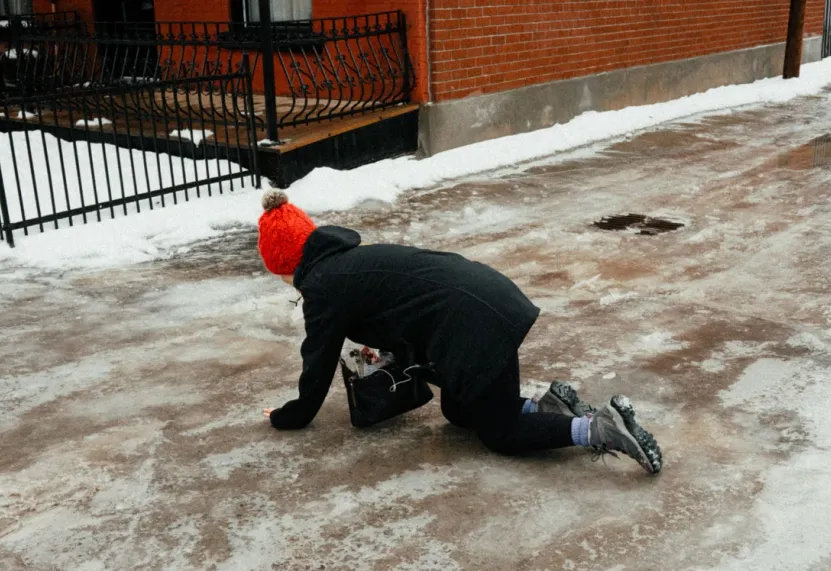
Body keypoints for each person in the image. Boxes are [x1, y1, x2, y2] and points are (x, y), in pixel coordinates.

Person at [256, 190, 662, 474]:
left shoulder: (323, 286)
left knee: (499, 433)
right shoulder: (350, 263)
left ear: (282, 264)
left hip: (473, 325)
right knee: (458, 412)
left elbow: (318, 359)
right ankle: (549, 406)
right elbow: (406, 308)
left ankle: (601, 429)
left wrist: (290, 417)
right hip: (487, 300)